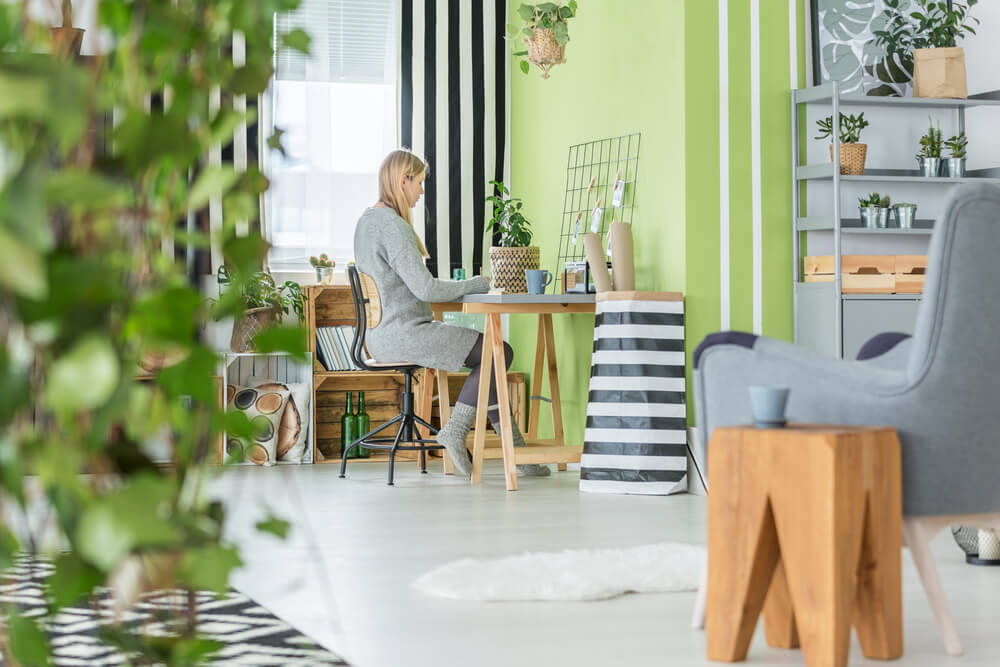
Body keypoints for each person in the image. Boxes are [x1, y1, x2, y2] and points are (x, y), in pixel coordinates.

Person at [353, 149, 549, 478]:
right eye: (419, 183)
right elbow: (426, 290)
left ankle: (517, 454)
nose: (421, 191)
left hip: (381, 335)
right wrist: (477, 284)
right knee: (498, 350)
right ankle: (457, 432)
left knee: (492, 356)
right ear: (404, 181)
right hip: (405, 334)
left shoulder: (366, 222)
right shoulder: (393, 228)